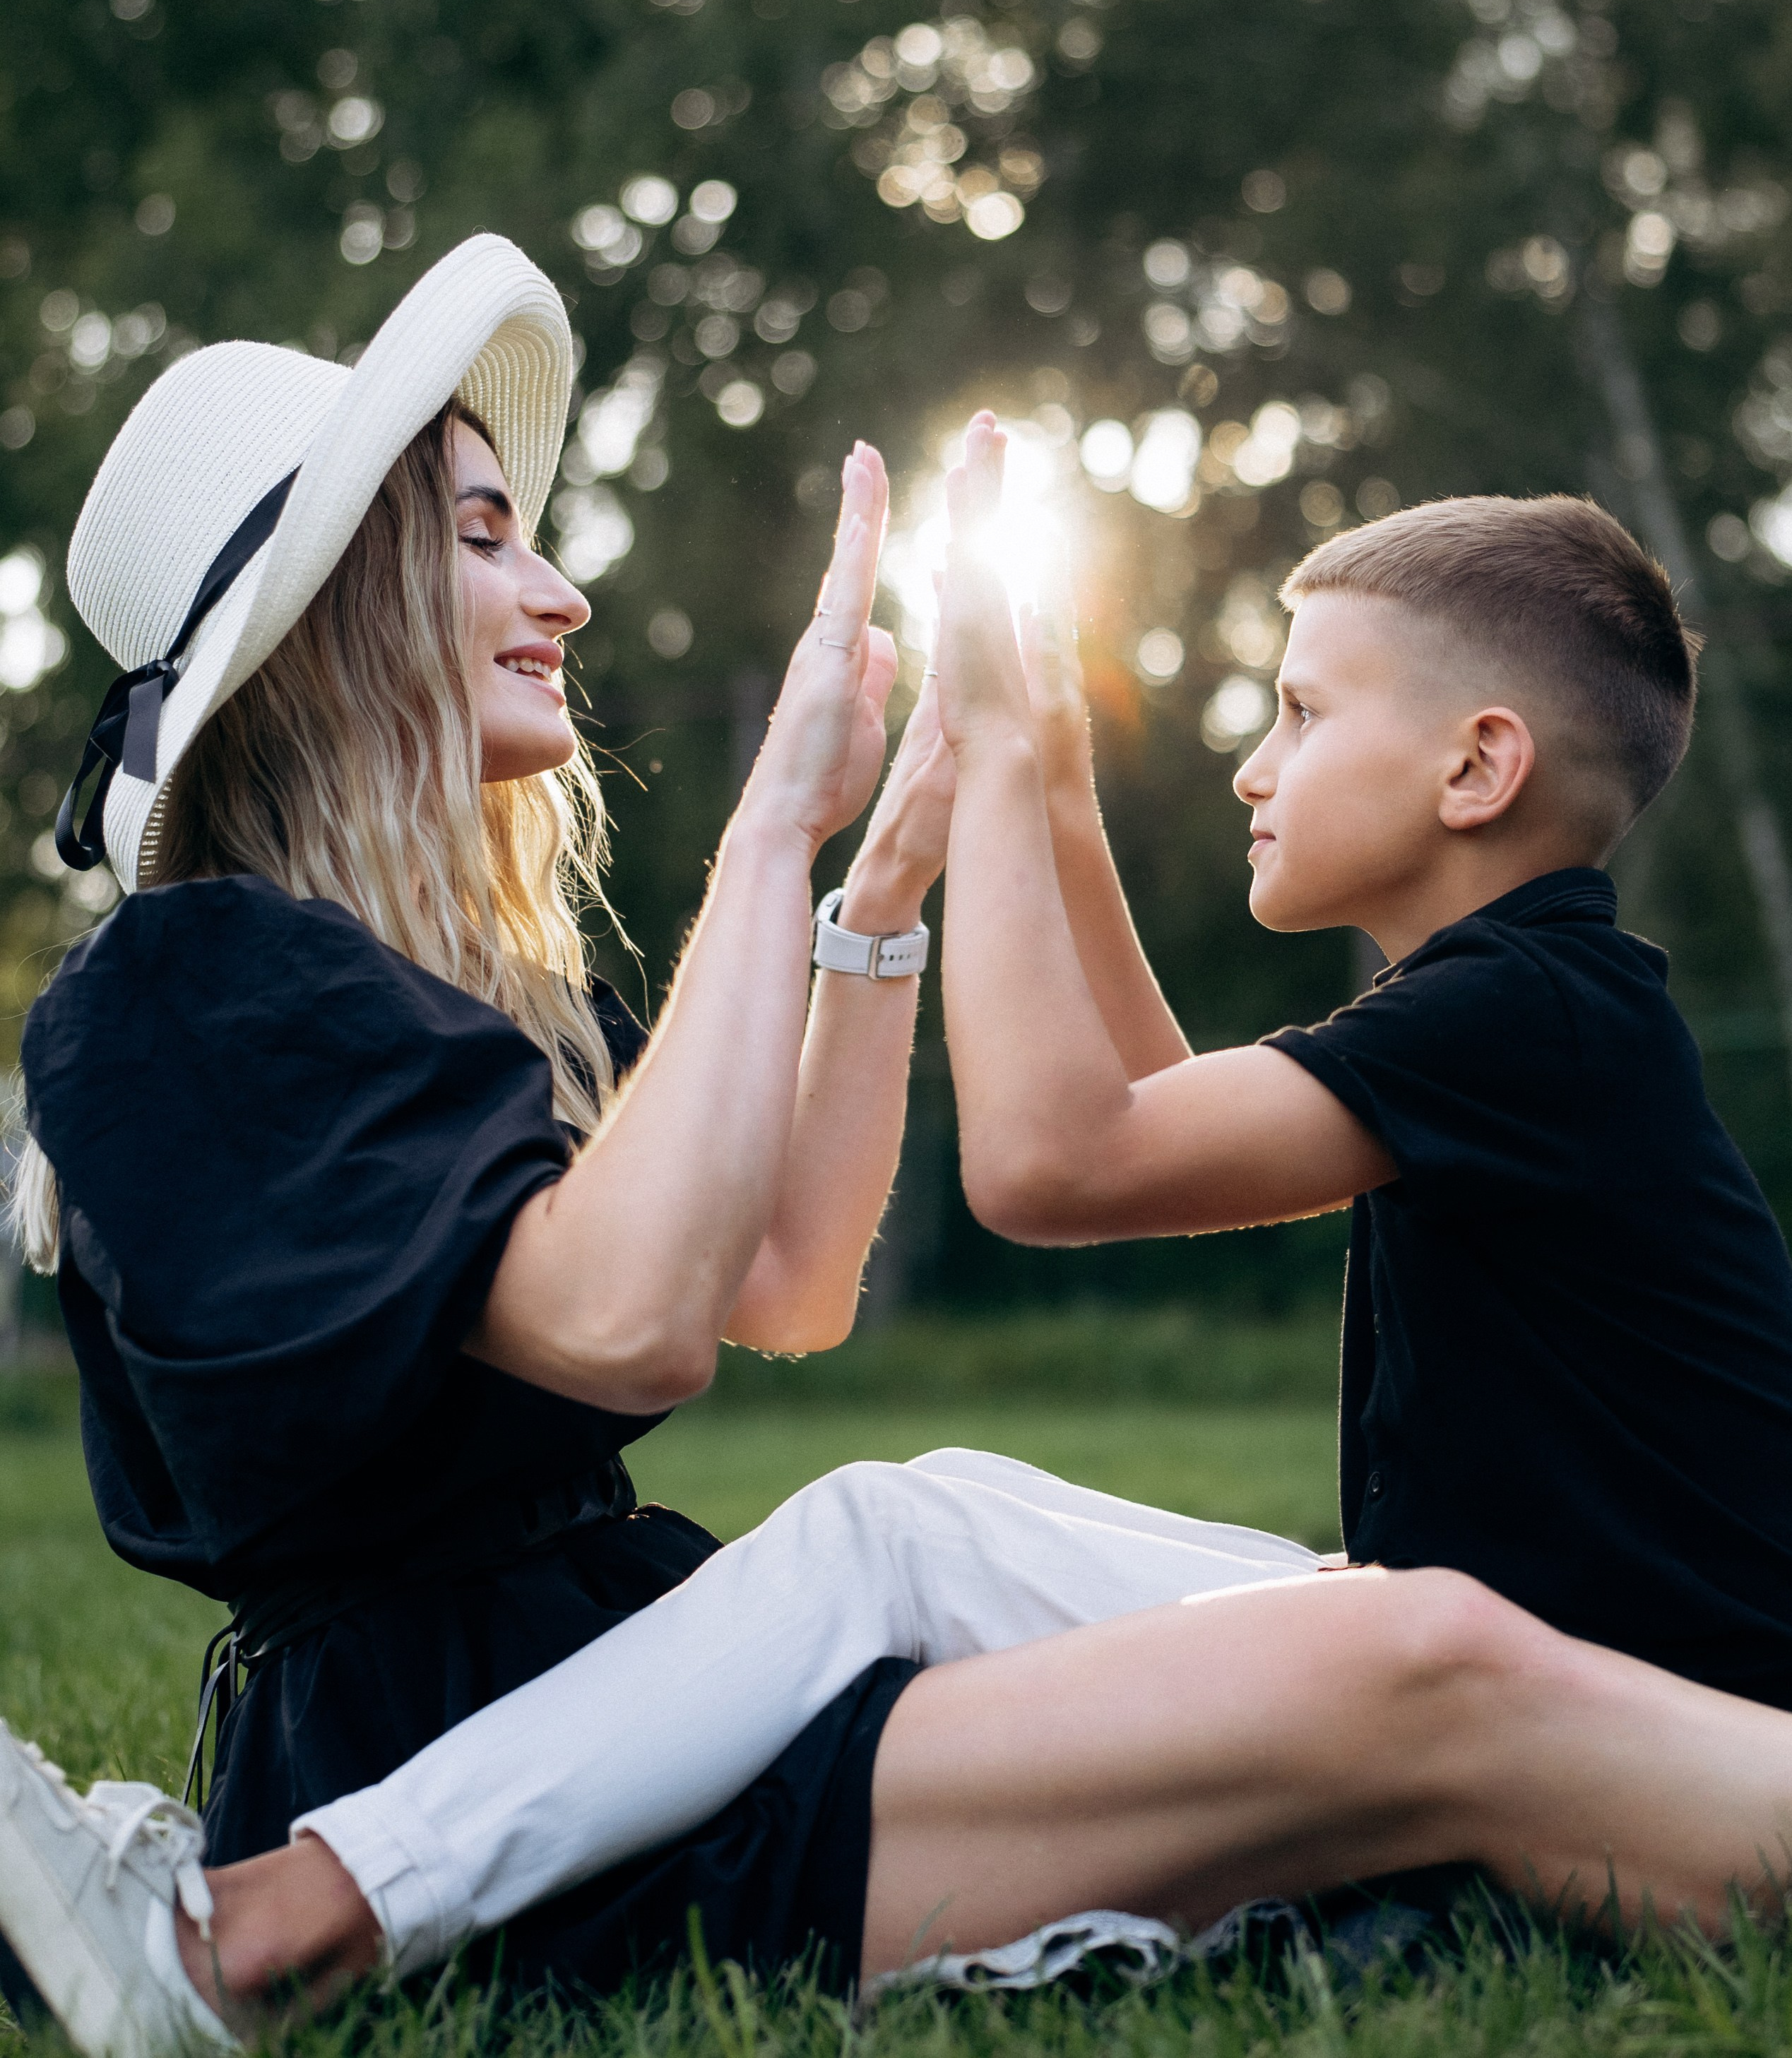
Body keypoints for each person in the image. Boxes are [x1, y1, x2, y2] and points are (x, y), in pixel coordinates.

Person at [13, 364, 1792, 2058]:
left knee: (947, 1523)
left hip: (638, 1692)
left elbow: (786, 1278)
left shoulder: (478, 994)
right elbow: (660, 1302)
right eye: (486, 536)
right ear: (337, 604)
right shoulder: (201, 977)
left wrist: (887, 877)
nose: (557, 586)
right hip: (473, 1742)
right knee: (1108, 1574)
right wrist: (807, 810)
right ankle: (277, 1913)